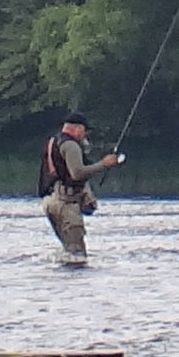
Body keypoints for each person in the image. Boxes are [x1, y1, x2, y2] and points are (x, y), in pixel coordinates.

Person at [37, 109, 122, 263]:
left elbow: (63, 174)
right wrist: (104, 164)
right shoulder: (70, 145)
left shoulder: (53, 142)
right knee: (77, 257)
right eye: (84, 131)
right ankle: (76, 284)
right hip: (66, 205)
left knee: (68, 251)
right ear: (77, 128)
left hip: (51, 202)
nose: (85, 135)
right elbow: (77, 173)